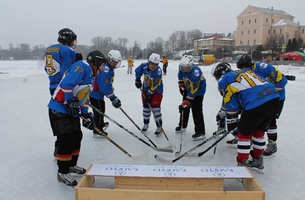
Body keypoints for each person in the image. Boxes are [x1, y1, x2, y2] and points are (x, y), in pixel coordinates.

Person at [48, 50, 106, 186]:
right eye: (102, 65)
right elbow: (66, 85)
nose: (103, 68)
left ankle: (70, 165)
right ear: (96, 63)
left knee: (77, 136)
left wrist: (86, 114)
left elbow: (84, 96)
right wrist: (70, 100)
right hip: (59, 109)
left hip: (71, 111)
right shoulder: (82, 66)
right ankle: (62, 172)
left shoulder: (91, 76)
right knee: (66, 140)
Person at [212, 58, 280, 173]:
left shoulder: (224, 80)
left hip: (257, 102)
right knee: (258, 132)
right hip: (273, 98)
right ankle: (258, 159)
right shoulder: (243, 72)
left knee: (243, 134)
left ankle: (242, 162)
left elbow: (231, 102)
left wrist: (231, 121)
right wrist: (224, 112)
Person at [44, 28, 82, 158]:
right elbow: (67, 72)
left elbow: (47, 68)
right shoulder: (67, 50)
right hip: (63, 88)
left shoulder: (49, 49)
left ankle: (60, 147)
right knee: (66, 120)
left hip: (52, 86)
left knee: (62, 117)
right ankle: (62, 149)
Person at [253, 58, 287, 158]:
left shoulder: (264, 68)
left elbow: (282, 82)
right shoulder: (247, 73)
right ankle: (252, 139)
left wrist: (264, 93)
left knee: (271, 120)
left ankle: (272, 144)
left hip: (277, 98)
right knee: (255, 118)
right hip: (263, 98)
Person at [90, 50, 122, 137]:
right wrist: (113, 98)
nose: (115, 63)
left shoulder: (108, 68)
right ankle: (98, 129)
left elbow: (106, 83)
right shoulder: (106, 69)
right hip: (95, 95)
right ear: (109, 59)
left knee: (101, 109)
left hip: (98, 94)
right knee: (99, 111)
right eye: (114, 61)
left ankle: (100, 123)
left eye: (117, 62)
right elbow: (103, 87)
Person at [176, 55, 207, 141]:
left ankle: (200, 132)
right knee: (184, 107)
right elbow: (180, 77)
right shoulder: (181, 67)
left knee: (196, 111)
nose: (185, 69)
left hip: (198, 91)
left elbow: (194, 90)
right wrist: (181, 87)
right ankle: (182, 125)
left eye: (187, 67)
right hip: (188, 87)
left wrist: (187, 101)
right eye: (183, 67)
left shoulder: (195, 72)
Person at [135, 53, 164, 136]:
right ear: (149, 62)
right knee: (146, 107)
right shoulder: (144, 66)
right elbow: (138, 70)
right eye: (151, 64)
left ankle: (159, 126)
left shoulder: (158, 71)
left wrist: (149, 94)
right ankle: (146, 124)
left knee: (155, 109)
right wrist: (137, 79)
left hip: (157, 91)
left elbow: (155, 85)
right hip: (145, 88)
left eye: (155, 64)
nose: (153, 66)